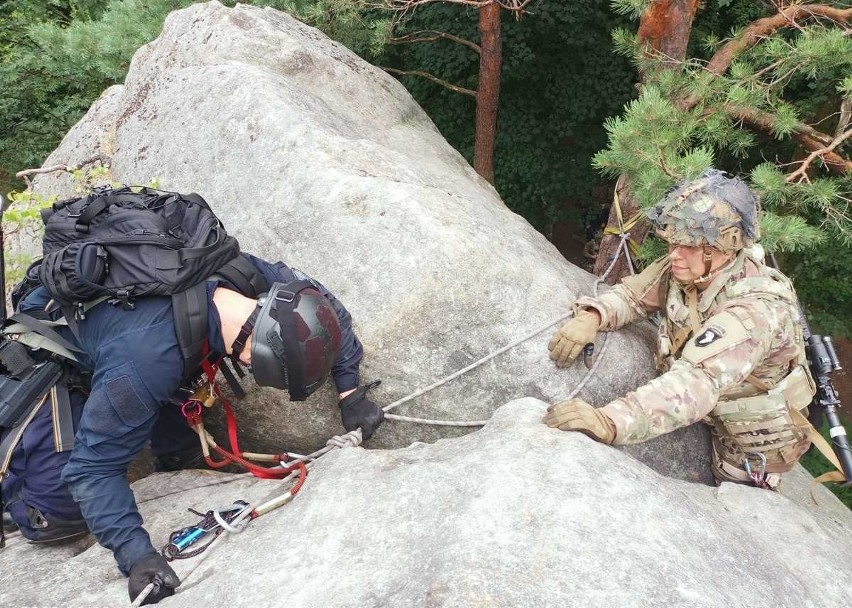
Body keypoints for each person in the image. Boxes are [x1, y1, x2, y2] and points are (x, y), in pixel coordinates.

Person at [2, 251, 383, 605]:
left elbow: (325, 307)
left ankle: (167, 447)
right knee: (58, 518)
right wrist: (137, 557)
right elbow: (93, 468)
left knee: (177, 433)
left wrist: (350, 392)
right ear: (252, 356)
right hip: (53, 349)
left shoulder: (245, 275)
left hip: (133, 328)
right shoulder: (148, 360)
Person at [543, 169, 815, 491]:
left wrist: (611, 421)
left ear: (724, 248)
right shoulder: (690, 268)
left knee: (733, 496)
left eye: (689, 245)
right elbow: (633, 296)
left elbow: (695, 384)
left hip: (745, 435)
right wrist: (593, 315)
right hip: (704, 394)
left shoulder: (755, 311)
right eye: (674, 241)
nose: (675, 253)